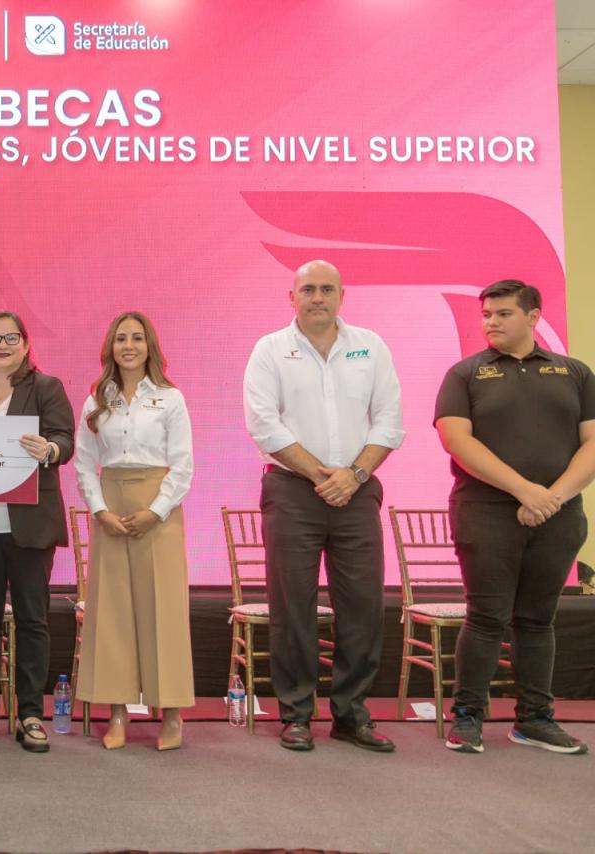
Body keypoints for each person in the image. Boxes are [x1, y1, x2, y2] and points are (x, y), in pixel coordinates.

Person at [242, 259, 404, 752]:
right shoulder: (270, 349)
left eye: (327, 289)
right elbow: (264, 425)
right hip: (293, 491)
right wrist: (321, 475)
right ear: (291, 297)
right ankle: (295, 714)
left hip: (357, 491)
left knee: (363, 605)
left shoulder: (371, 346)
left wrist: (353, 476)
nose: (318, 297)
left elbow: (389, 421)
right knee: (292, 605)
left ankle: (351, 715)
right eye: (308, 289)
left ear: (341, 296)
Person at [435, 279, 594, 755]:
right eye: (487, 314)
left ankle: (535, 719)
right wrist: (524, 490)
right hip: (485, 512)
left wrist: (552, 498)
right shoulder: (465, 374)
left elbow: (592, 442)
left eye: (503, 313)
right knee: (486, 617)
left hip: (558, 514)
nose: (491, 322)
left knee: (538, 619)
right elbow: (457, 441)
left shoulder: (575, 373)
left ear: (533, 316)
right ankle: (467, 717)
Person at [0, 311, 75, 753]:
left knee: (32, 620)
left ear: (25, 344)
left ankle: (29, 714)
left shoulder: (45, 388)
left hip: (28, 525)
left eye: (11, 338)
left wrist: (49, 449)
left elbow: (65, 439)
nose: (2, 346)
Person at [73, 311, 195, 751]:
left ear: (150, 347)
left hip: (157, 506)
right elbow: (84, 463)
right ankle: (118, 714)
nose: (129, 346)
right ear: (110, 346)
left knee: (164, 608)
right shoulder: (95, 401)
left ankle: (172, 716)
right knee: (113, 612)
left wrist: (156, 511)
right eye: (121, 338)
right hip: (111, 506)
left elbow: (183, 465)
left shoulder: (170, 398)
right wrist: (100, 510)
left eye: (137, 338)